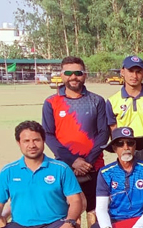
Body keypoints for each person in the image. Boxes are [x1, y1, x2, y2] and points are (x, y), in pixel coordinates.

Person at [42, 56, 108, 213]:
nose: (73, 77)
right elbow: (48, 135)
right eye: (69, 73)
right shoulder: (51, 102)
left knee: (96, 215)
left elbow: (103, 133)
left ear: (84, 74)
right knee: (68, 217)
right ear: (62, 75)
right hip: (64, 168)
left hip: (93, 168)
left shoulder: (97, 101)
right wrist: (73, 161)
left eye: (78, 72)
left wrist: (87, 163)